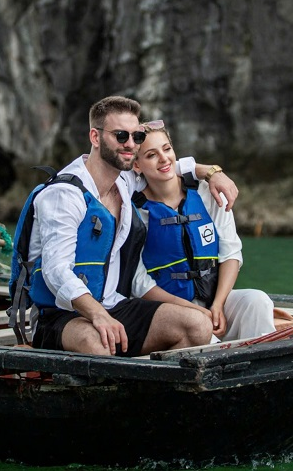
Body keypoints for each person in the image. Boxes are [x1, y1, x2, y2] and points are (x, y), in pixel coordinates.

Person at [26, 95, 239, 356]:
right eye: (120, 136)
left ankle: (151, 379)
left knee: (197, 325)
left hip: (114, 305)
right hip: (60, 314)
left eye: (136, 137)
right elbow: (56, 270)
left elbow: (165, 166)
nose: (130, 144)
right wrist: (97, 314)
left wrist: (212, 172)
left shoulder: (125, 181)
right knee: (99, 344)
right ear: (95, 137)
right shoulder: (64, 195)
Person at [132, 121, 275, 341]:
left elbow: (230, 253)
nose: (164, 159)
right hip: (169, 310)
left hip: (213, 300)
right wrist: (196, 312)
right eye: (151, 155)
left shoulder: (208, 191)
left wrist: (218, 305)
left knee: (257, 301)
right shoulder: (134, 212)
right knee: (200, 330)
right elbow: (138, 282)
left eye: (167, 149)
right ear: (137, 165)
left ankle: (264, 360)